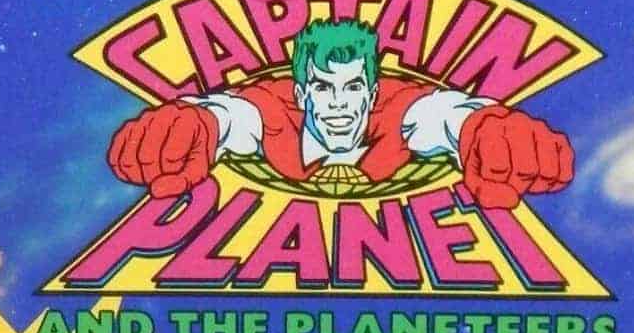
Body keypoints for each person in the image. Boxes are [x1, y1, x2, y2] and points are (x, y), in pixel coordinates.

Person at [108, 16, 574, 202]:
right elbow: (235, 117)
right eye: (322, 87)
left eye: (352, 88)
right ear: (301, 94)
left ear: (371, 94)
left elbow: (439, 116)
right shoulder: (273, 114)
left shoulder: (399, 112)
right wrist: (195, 123)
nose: (337, 103)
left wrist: (483, 128)